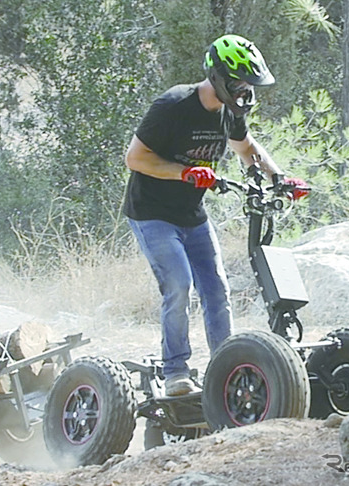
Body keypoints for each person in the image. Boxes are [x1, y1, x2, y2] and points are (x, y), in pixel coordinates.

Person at [122, 34, 287, 396]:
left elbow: (246, 148)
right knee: (179, 284)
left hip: (191, 214)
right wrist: (184, 172)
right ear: (220, 76)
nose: (245, 90)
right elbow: (134, 158)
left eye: (249, 84)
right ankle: (176, 372)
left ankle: (223, 369)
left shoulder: (229, 112)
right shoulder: (173, 105)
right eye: (240, 82)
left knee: (216, 290)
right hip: (152, 213)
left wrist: (280, 178)